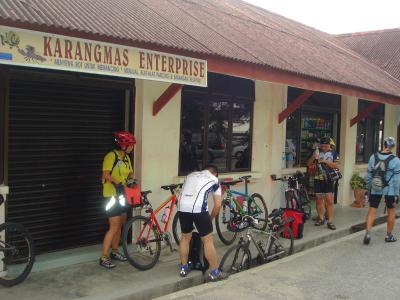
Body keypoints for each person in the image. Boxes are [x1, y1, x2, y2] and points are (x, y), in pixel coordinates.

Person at [178, 165, 229, 282]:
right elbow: (217, 205)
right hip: (199, 209)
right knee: (207, 240)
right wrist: (210, 218)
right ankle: (215, 272)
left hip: (182, 207)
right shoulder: (214, 180)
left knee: (185, 238)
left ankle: (184, 268)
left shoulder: (190, 175)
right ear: (215, 173)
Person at [99, 131, 136, 269]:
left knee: (120, 224)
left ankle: (115, 251)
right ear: (124, 145)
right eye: (131, 144)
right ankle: (104, 256)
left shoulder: (126, 158)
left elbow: (130, 172)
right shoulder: (111, 156)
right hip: (111, 196)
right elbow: (105, 174)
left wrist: (131, 181)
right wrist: (117, 183)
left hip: (123, 195)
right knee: (114, 226)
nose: (132, 147)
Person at [363, 137, 400, 244]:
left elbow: (369, 175)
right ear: (393, 147)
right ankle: (389, 235)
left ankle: (368, 233)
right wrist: (397, 194)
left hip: (376, 187)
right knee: (391, 211)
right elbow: (397, 179)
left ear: (383, 145)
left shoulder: (373, 157)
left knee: (372, 210)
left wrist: (368, 188)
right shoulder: (396, 160)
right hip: (390, 190)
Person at [307, 136, 339, 230]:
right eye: (323, 146)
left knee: (329, 200)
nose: (324, 147)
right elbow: (308, 163)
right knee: (318, 199)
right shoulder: (317, 152)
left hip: (329, 179)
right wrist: (314, 157)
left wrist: (325, 161)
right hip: (318, 178)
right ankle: (320, 218)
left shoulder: (333, 153)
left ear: (329, 145)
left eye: (326, 146)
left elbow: (337, 166)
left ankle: (330, 221)